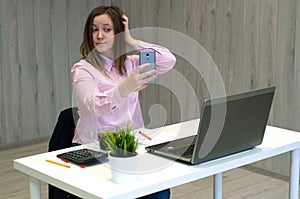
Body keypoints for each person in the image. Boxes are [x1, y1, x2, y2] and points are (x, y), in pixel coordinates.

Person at [71, 5, 176, 199]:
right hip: (96, 151)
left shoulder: (131, 63)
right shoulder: (82, 70)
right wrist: (127, 86)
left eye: (107, 29)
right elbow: (96, 105)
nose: (99, 35)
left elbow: (168, 60)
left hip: (131, 147)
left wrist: (130, 40)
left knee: (159, 191)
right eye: (94, 30)